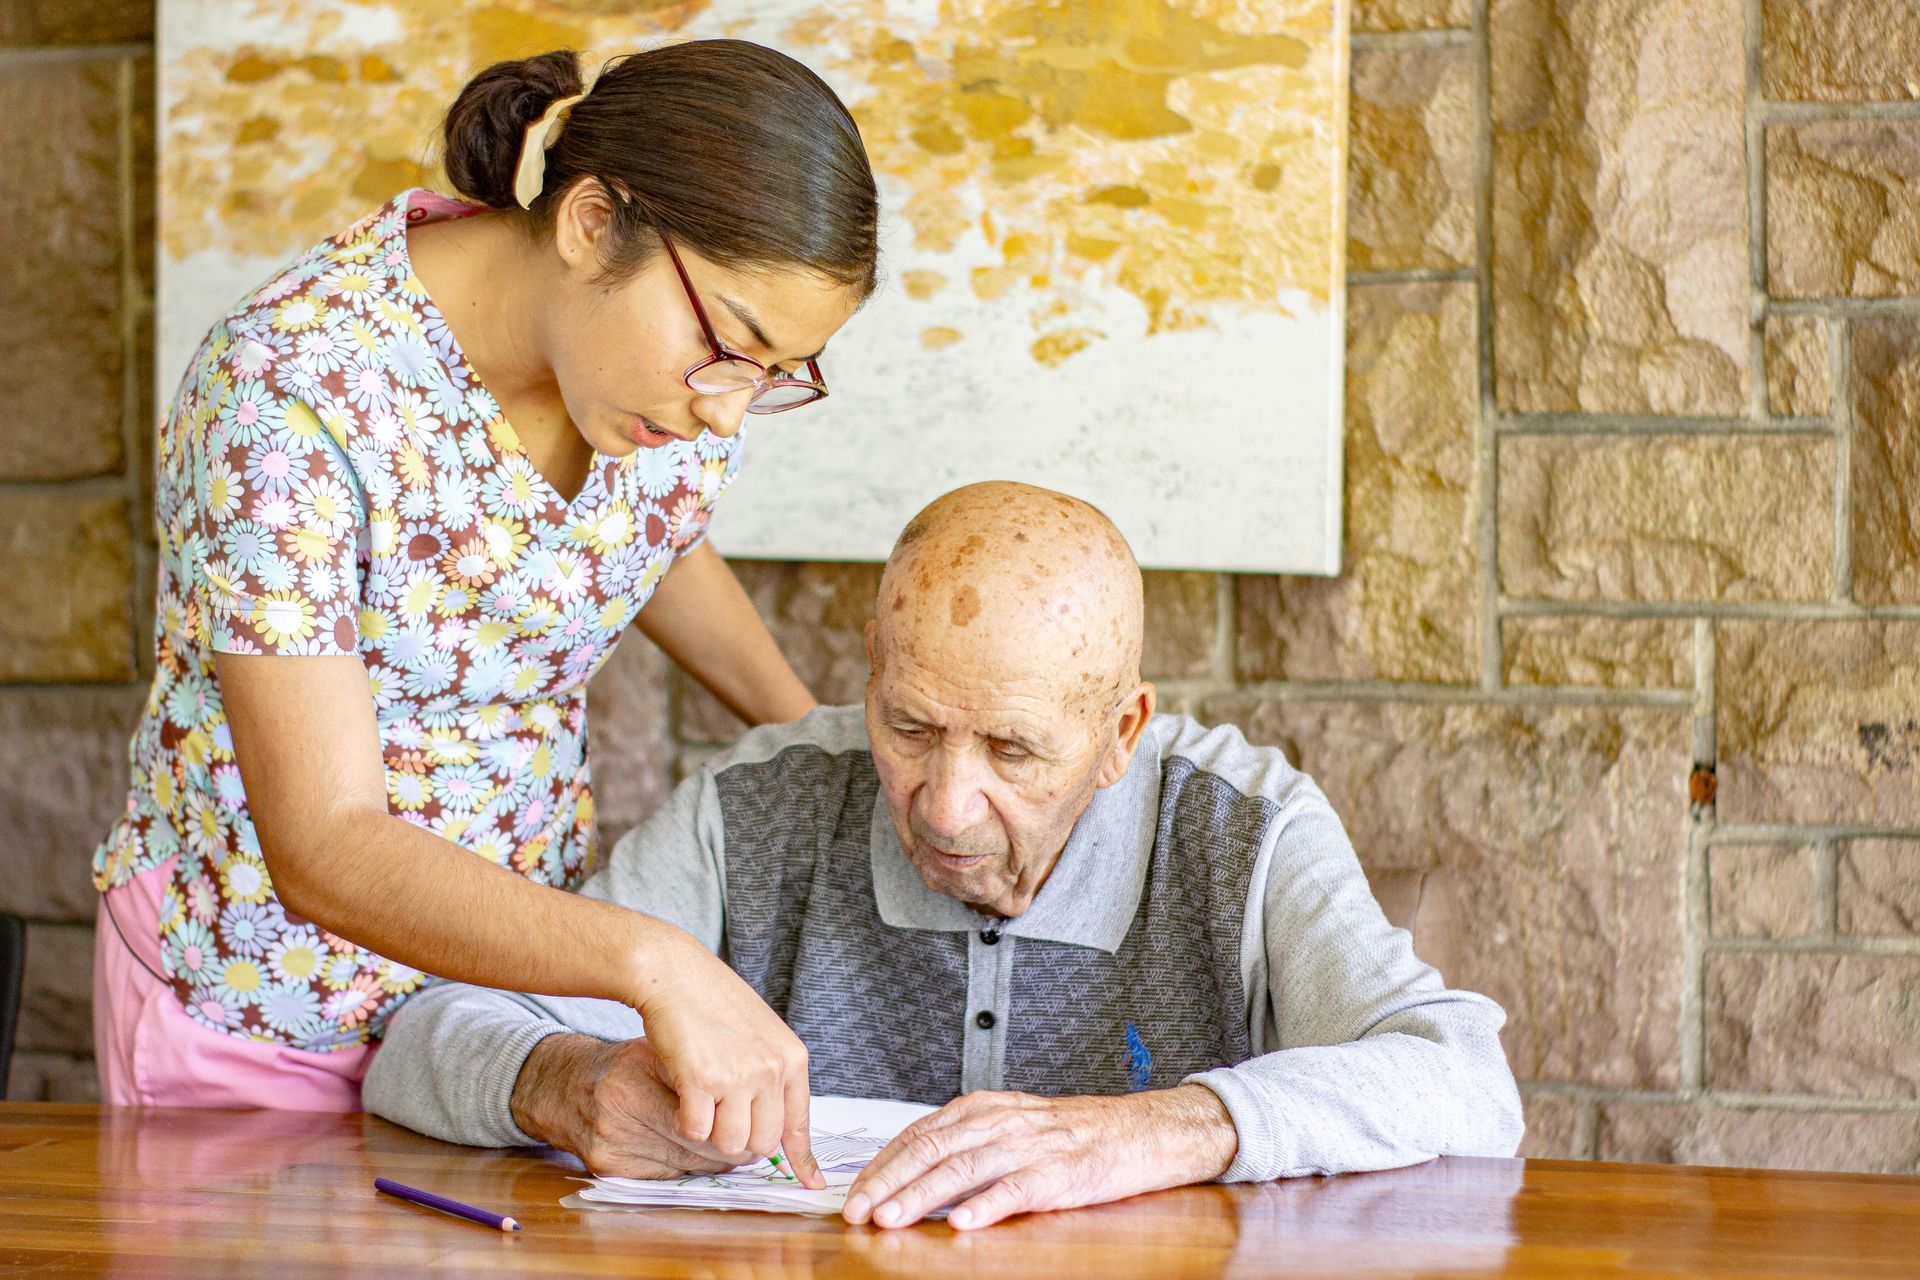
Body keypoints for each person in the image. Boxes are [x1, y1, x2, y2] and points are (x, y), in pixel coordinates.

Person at [90, 39, 875, 1176]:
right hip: (268, 1021)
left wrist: (821, 744)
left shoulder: (646, 386)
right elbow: (324, 844)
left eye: (779, 372)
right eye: (732, 346)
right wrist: (653, 961)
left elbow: (645, 537)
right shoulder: (288, 395)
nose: (728, 412)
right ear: (591, 222)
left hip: (505, 1024)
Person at [362, 482, 1524, 1230]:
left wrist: (1150, 1127)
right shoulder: (761, 802)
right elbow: (421, 1038)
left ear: (1122, 730)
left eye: (1014, 749)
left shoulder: (1242, 825)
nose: (947, 804)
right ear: (869, 662)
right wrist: (562, 1084)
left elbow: (1467, 1077)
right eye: (909, 726)